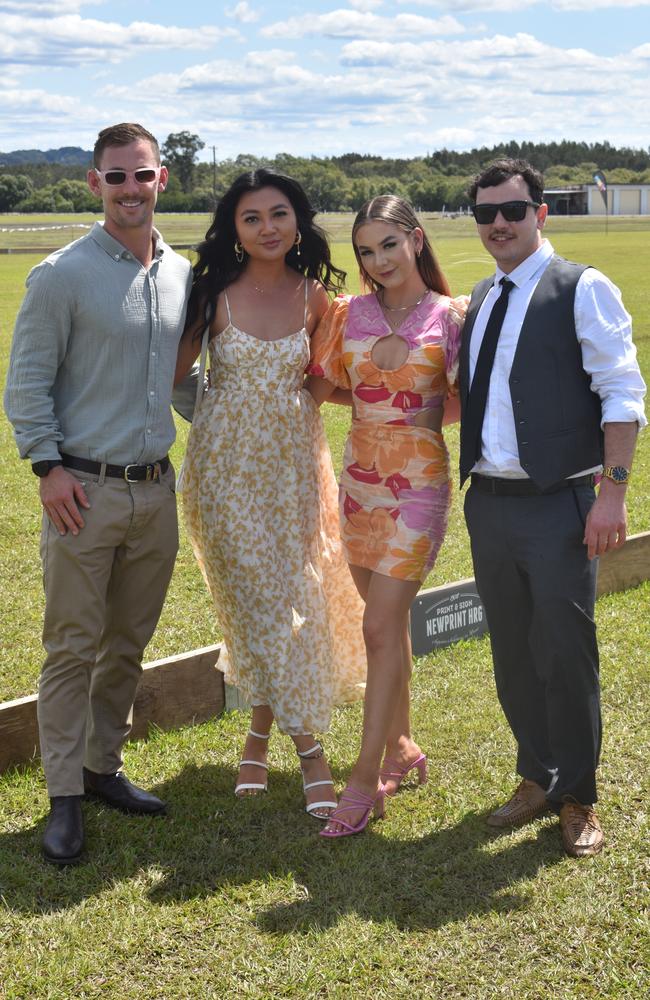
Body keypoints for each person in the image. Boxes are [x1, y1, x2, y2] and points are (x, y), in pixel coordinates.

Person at [4, 123, 192, 865]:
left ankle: (101, 766)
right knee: (71, 649)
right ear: (94, 184)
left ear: (161, 180)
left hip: (156, 493)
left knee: (127, 646)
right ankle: (63, 800)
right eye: (115, 177)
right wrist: (46, 468)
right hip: (83, 491)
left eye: (141, 175)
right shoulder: (60, 275)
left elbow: (181, 383)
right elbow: (27, 385)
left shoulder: (183, 273)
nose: (129, 190)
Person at [459, 157, 646, 857]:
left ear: (541, 213)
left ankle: (578, 795)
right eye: (486, 213)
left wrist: (613, 494)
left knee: (566, 654)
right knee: (512, 650)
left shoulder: (582, 288)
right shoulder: (482, 297)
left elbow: (623, 395)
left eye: (513, 210)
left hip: (561, 501)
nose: (499, 224)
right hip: (490, 503)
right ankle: (535, 774)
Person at [175, 169, 367, 819]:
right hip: (224, 473)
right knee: (261, 603)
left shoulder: (317, 301)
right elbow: (172, 373)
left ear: (297, 222)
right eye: (251, 217)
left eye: (278, 214)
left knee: (291, 605)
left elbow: (319, 384)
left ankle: (257, 738)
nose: (266, 228)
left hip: (292, 473)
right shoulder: (213, 293)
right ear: (234, 227)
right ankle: (311, 756)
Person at [305, 195, 467, 837]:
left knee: (378, 627)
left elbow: (472, 401)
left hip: (420, 487)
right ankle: (403, 747)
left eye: (389, 246)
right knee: (388, 625)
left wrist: (425, 418)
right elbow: (322, 388)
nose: (379, 261)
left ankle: (363, 778)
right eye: (366, 251)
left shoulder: (454, 316)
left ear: (417, 241)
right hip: (358, 487)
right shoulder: (348, 315)